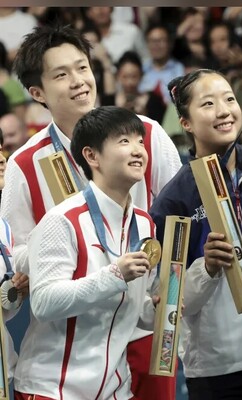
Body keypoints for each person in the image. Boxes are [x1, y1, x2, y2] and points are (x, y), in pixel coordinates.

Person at [0, 24, 182, 400]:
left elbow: (176, 220)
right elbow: (15, 253)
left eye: (82, 68)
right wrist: (75, 258)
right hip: (74, 334)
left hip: (143, 323)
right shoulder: (25, 162)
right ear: (37, 93)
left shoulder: (145, 136)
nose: (79, 81)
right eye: (62, 75)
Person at [13, 106, 159, 400]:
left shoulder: (144, 223)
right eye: (124, 141)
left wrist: (155, 309)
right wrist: (115, 274)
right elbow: (44, 303)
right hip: (53, 389)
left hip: (116, 390)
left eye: (140, 141)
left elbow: (130, 311)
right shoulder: (61, 220)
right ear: (92, 156)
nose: (138, 150)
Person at [149, 68, 242, 399]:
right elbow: (168, 300)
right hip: (221, 370)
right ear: (185, 122)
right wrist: (208, 268)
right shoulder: (175, 199)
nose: (224, 110)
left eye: (229, 99)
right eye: (208, 104)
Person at [0, 127, 29, 389]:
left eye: (1, 149)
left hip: (5, 366)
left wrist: (19, 288)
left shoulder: (4, 226)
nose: (2, 159)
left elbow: (6, 306)